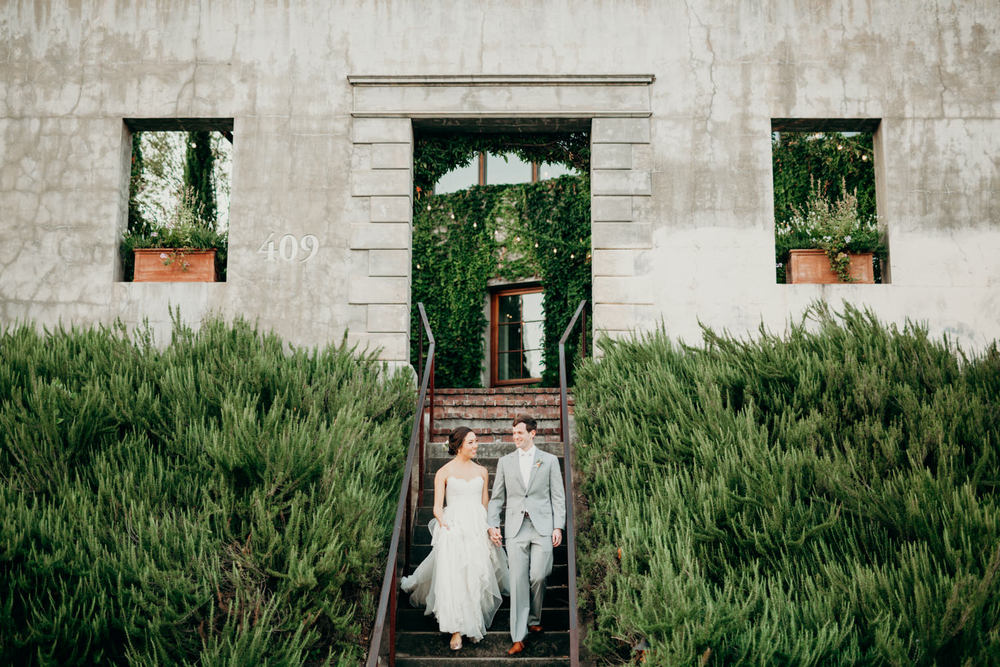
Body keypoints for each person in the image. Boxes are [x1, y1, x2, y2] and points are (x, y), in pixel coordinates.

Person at [401, 427, 509, 651]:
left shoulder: (482, 471)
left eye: (476, 441)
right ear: (459, 446)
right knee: (455, 576)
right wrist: (445, 526)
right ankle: (456, 630)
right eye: (471, 442)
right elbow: (437, 509)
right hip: (453, 526)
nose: (475, 445)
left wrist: (490, 529)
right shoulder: (443, 472)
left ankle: (474, 622)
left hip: (477, 527)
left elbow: (485, 505)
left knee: (476, 574)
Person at [488, 414, 566, 656]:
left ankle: (533, 617)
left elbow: (558, 497)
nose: (515, 438)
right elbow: (497, 498)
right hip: (515, 528)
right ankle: (518, 636)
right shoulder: (505, 462)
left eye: (519, 433)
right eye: (513, 434)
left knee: (539, 575)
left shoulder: (550, 461)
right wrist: (492, 524)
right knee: (518, 581)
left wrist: (558, 526)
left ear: (532, 433)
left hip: (542, 526)